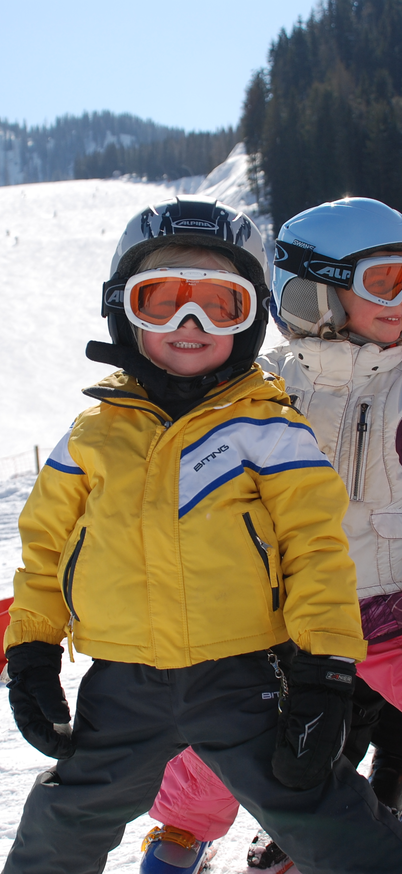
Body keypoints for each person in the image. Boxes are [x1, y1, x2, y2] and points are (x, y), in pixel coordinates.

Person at [3, 196, 402, 874]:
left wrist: (325, 668)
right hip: (183, 654)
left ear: (249, 318)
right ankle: (179, 844)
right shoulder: (108, 431)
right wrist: (32, 646)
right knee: (121, 794)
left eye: (220, 307)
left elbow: (313, 545)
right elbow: (49, 548)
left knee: (310, 778)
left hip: (307, 643)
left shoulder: (268, 424)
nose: (190, 325)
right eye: (161, 302)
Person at [137, 195, 402, 874]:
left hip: (393, 607)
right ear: (318, 291)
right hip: (291, 614)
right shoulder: (265, 387)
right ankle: (179, 836)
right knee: (231, 731)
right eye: (386, 281)